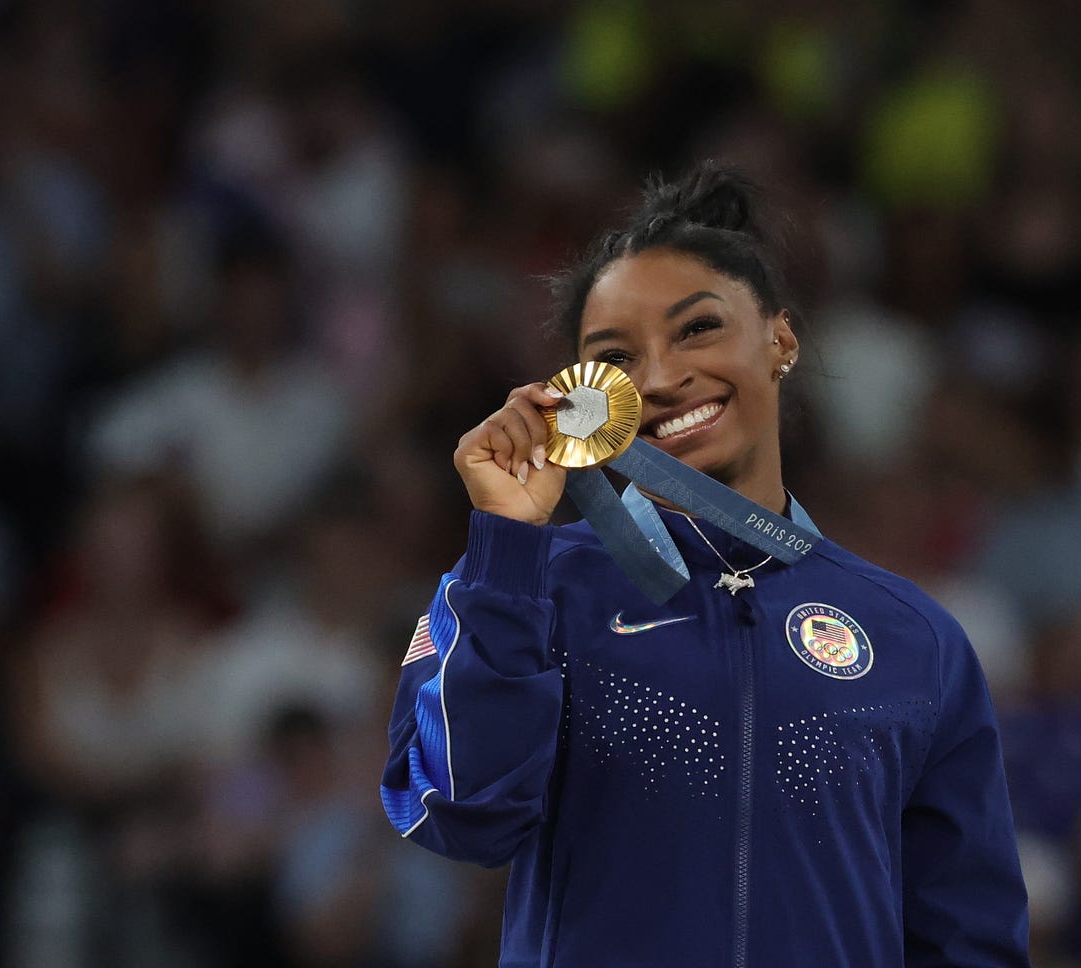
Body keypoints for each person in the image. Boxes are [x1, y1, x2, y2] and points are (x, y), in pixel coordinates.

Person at [379, 162, 1031, 967]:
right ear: (584, 403)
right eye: (615, 358)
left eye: (698, 329)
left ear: (780, 340)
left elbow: (971, 939)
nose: (660, 379)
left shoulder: (915, 640)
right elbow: (461, 811)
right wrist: (509, 546)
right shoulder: (518, 591)